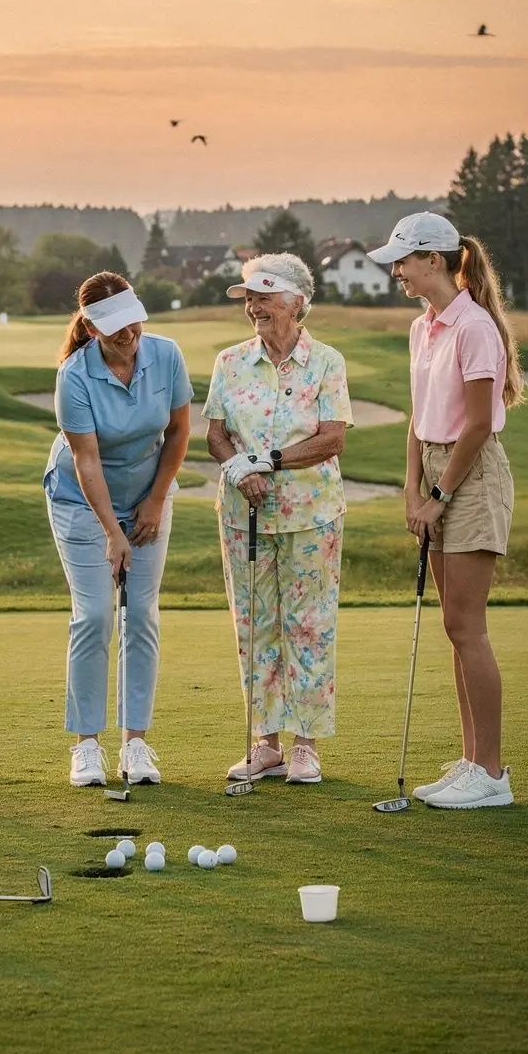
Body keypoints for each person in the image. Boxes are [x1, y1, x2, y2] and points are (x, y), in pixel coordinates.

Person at [367, 212, 523, 809]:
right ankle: (470, 762)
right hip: (435, 474)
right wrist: (413, 492)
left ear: (434, 259)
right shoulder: (422, 327)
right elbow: (418, 417)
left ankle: (492, 773)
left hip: (471, 476)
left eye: (403, 261)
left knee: (468, 626)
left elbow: (479, 425)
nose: (397, 272)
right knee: (454, 627)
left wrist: (439, 497)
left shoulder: (474, 327)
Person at [204, 253, 353, 785]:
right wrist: (238, 467)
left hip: (311, 515)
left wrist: (267, 461)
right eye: (249, 298)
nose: (253, 307)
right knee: (255, 627)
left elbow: (332, 438)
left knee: (308, 626)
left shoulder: (326, 362)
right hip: (244, 514)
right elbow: (216, 432)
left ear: (296, 302)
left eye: (264, 297)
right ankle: (265, 743)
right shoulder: (231, 361)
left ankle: (306, 744)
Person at [44, 272, 192, 788]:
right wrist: (114, 531)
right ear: (89, 326)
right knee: (94, 615)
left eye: (129, 318)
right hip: (81, 501)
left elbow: (178, 432)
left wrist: (154, 502)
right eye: (110, 325)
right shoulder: (75, 375)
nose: (125, 332)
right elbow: (86, 462)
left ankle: (136, 744)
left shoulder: (167, 355)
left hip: (147, 492)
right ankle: (86, 746)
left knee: (141, 615)